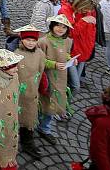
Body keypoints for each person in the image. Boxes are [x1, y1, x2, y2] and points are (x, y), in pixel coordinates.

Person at [36, 14, 74, 144]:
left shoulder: (67, 41)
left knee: (54, 103)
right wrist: (54, 64)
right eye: (58, 25)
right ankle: (36, 124)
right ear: (52, 26)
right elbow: (39, 60)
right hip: (46, 77)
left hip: (61, 78)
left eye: (64, 27)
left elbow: (65, 53)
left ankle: (44, 127)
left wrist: (70, 59)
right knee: (44, 101)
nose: (60, 29)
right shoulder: (43, 42)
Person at [12, 24, 45, 159]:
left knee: (29, 118)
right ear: (22, 40)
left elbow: (41, 71)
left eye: (33, 40)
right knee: (15, 117)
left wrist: (42, 85)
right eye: (28, 40)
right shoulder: (17, 55)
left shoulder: (40, 54)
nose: (31, 43)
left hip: (32, 94)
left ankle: (27, 141)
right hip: (18, 94)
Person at [60, 0, 98, 94]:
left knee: (73, 84)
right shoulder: (65, 10)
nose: (87, 12)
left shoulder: (85, 11)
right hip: (70, 52)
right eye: (86, 9)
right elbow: (69, 33)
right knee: (75, 86)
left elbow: (89, 33)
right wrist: (83, 21)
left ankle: (65, 105)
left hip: (82, 52)